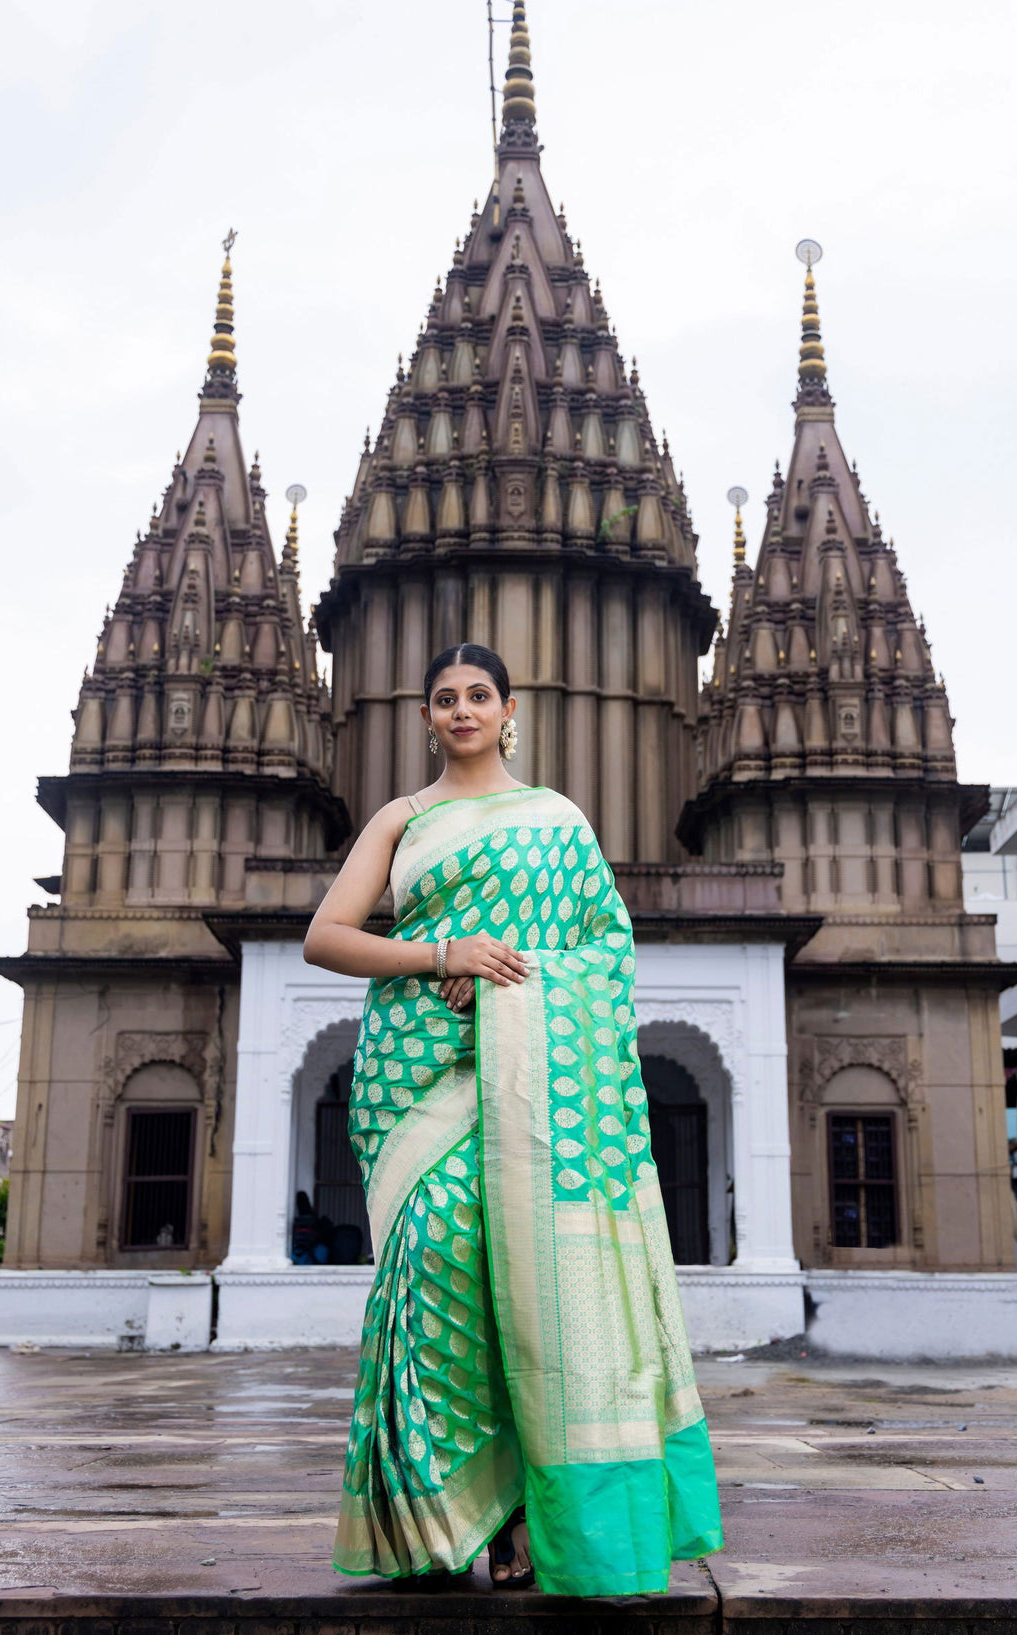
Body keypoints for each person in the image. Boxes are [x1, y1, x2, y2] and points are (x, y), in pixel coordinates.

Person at [304, 642, 723, 1596]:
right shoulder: (403, 819)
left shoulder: (558, 822)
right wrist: (441, 950)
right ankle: (435, 1515)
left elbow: (604, 952)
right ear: (425, 717)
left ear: (508, 708)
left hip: (530, 1075)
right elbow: (326, 935)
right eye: (444, 698)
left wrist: (509, 987)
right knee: (439, 1264)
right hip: (414, 1079)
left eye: (477, 696)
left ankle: (525, 1514)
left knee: (531, 1277)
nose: (461, 711)